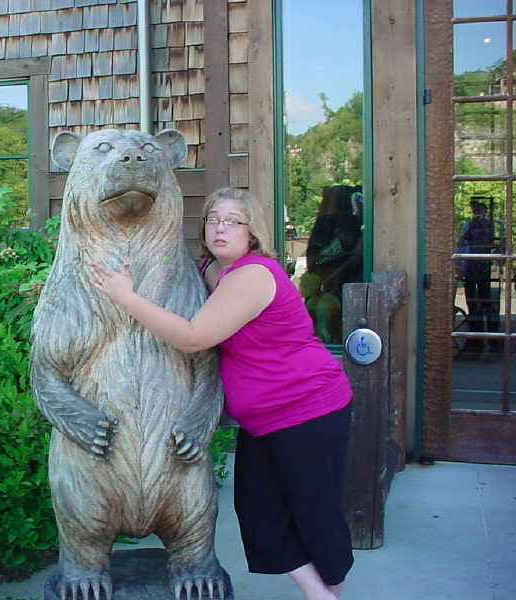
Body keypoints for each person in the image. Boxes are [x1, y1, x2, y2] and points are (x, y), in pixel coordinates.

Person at [89, 187, 354, 600]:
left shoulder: (254, 275)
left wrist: (126, 297)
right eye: (213, 219)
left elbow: (194, 337)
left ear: (252, 231)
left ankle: (332, 590)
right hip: (263, 419)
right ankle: (318, 594)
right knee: (258, 511)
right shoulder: (210, 270)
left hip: (306, 408)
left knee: (315, 513)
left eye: (233, 221)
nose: (220, 228)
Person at [456, 199, 495, 351]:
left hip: (476, 268)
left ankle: (481, 341)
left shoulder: (476, 225)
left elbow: (460, 243)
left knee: (477, 303)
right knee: (480, 303)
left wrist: (459, 264)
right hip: (478, 268)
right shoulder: (484, 225)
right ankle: (483, 341)